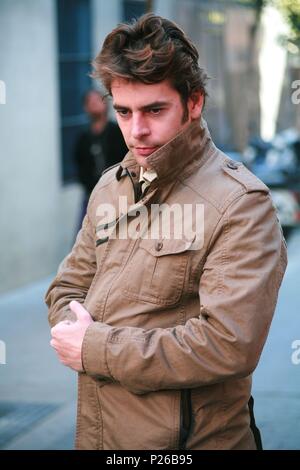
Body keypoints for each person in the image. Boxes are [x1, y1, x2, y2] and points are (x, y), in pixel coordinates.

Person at [46, 13, 287, 450]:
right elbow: (67, 286)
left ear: (193, 103)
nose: (136, 130)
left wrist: (94, 347)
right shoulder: (109, 185)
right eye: (123, 111)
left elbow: (228, 344)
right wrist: (71, 328)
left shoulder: (241, 203)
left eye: (154, 110)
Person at [74, 89, 127, 228]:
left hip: (118, 195)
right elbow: (79, 165)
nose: (94, 104)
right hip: (92, 196)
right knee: (85, 237)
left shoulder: (118, 132)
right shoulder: (83, 138)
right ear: (85, 107)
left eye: (97, 100)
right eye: (90, 102)